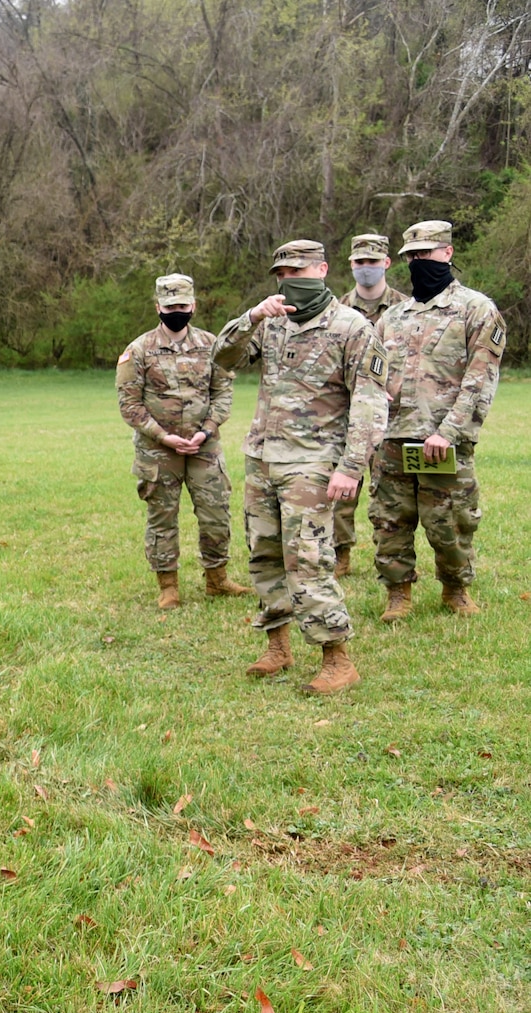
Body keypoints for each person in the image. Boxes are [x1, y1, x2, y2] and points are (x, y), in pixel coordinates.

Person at [209, 240, 390, 694]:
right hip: (264, 457)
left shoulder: (352, 327)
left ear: (323, 269)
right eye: (282, 272)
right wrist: (251, 317)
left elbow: (370, 403)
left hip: (313, 463)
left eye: (299, 270)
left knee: (308, 559)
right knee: (264, 555)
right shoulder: (272, 324)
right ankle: (278, 645)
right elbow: (222, 359)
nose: (289, 279)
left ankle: (337, 658)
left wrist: (351, 466)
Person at [369, 220, 506, 620]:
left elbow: (479, 381)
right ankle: (398, 593)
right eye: (412, 256)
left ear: (447, 253)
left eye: (425, 254)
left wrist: (448, 432)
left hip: (442, 440)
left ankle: (455, 589)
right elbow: (372, 378)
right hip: (393, 439)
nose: (418, 262)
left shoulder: (476, 309)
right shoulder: (392, 317)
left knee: (450, 519)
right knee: (389, 519)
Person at [116, 274, 251, 608]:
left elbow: (223, 391)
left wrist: (207, 429)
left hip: (205, 447)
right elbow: (129, 405)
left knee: (216, 513)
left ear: (193, 305)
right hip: (158, 451)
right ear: (157, 307)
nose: (176, 310)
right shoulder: (139, 350)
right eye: (169, 306)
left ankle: (217, 580)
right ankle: (168, 587)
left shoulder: (211, 344)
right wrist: (165, 437)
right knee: (162, 518)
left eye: (181, 305)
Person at [330, 233, 409, 577]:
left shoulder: (406, 308)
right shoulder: (336, 310)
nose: (366, 269)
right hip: (346, 415)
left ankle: (388, 557)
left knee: (387, 491)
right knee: (342, 489)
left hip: (393, 417)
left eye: (373, 262)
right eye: (360, 263)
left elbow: (412, 361)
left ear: (386, 264)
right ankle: (339, 556)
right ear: (351, 265)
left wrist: (390, 388)